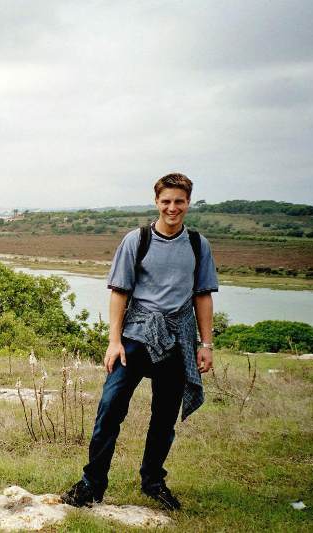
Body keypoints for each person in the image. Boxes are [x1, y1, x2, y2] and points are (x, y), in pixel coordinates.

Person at [62, 173, 219, 510]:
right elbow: (119, 292)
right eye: (166, 201)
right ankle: (92, 484)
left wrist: (205, 345)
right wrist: (113, 342)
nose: (172, 207)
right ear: (157, 202)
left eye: (179, 201)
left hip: (178, 337)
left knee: (164, 418)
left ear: (188, 202)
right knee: (109, 410)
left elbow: (203, 296)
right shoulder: (137, 240)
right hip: (135, 336)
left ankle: (153, 481)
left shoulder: (197, 244)